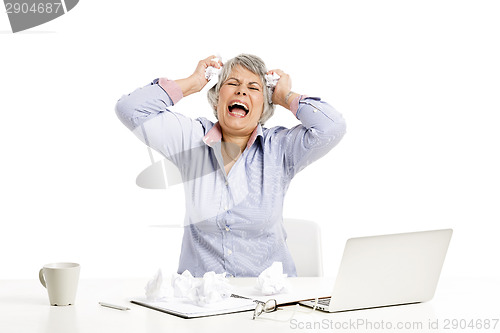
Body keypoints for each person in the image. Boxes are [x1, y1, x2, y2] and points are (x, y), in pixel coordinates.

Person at [115, 54, 346, 277]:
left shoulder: (280, 148)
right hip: (201, 301)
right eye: (232, 83)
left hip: (267, 301)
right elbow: (130, 108)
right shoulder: (191, 138)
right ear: (217, 99)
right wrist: (193, 83)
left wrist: (286, 96)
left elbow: (332, 127)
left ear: (265, 106)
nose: (242, 90)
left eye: (253, 88)